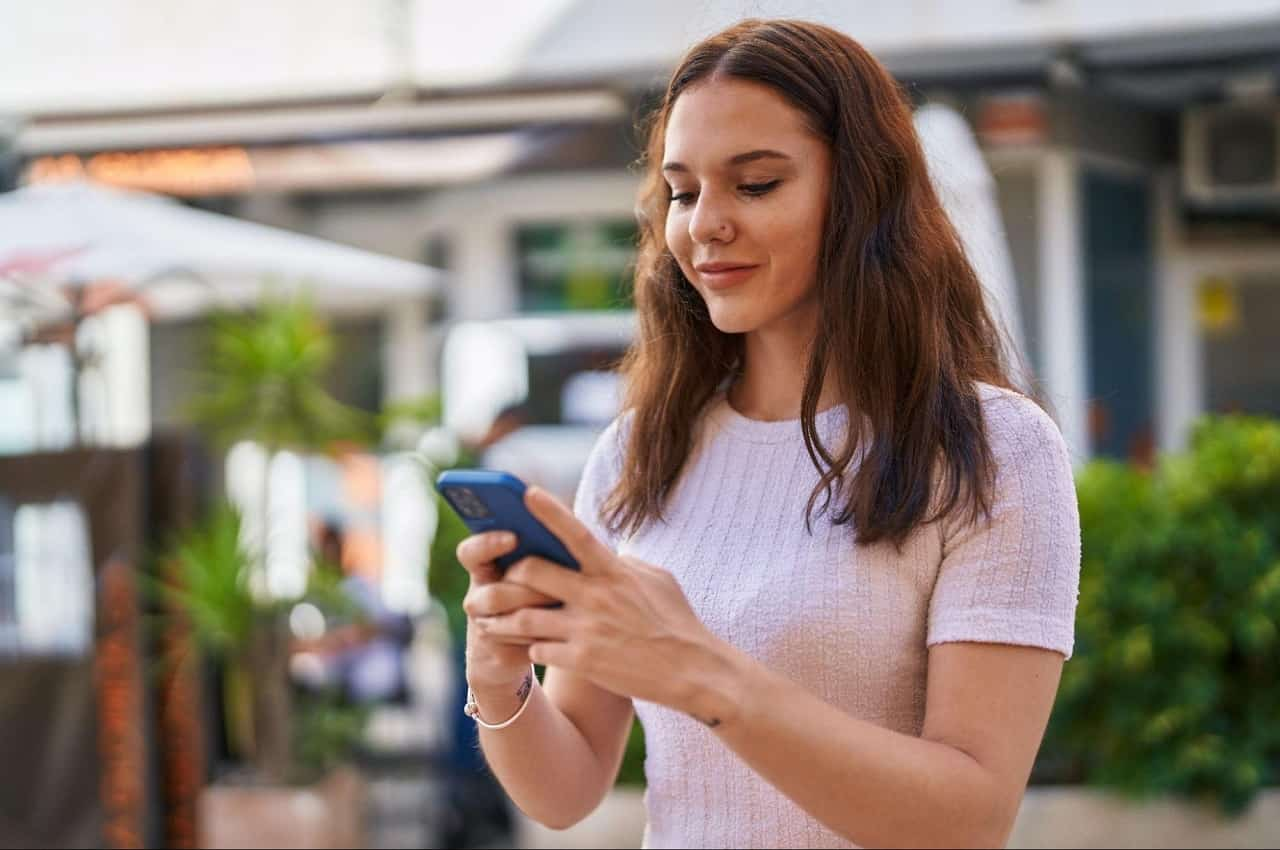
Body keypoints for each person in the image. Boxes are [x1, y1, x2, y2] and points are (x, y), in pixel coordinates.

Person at [454, 18, 1081, 849]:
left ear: (862, 196)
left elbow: (967, 820)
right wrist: (498, 679)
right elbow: (567, 789)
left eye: (754, 185)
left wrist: (701, 673)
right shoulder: (640, 452)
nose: (705, 224)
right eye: (683, 191)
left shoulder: (995, 451)